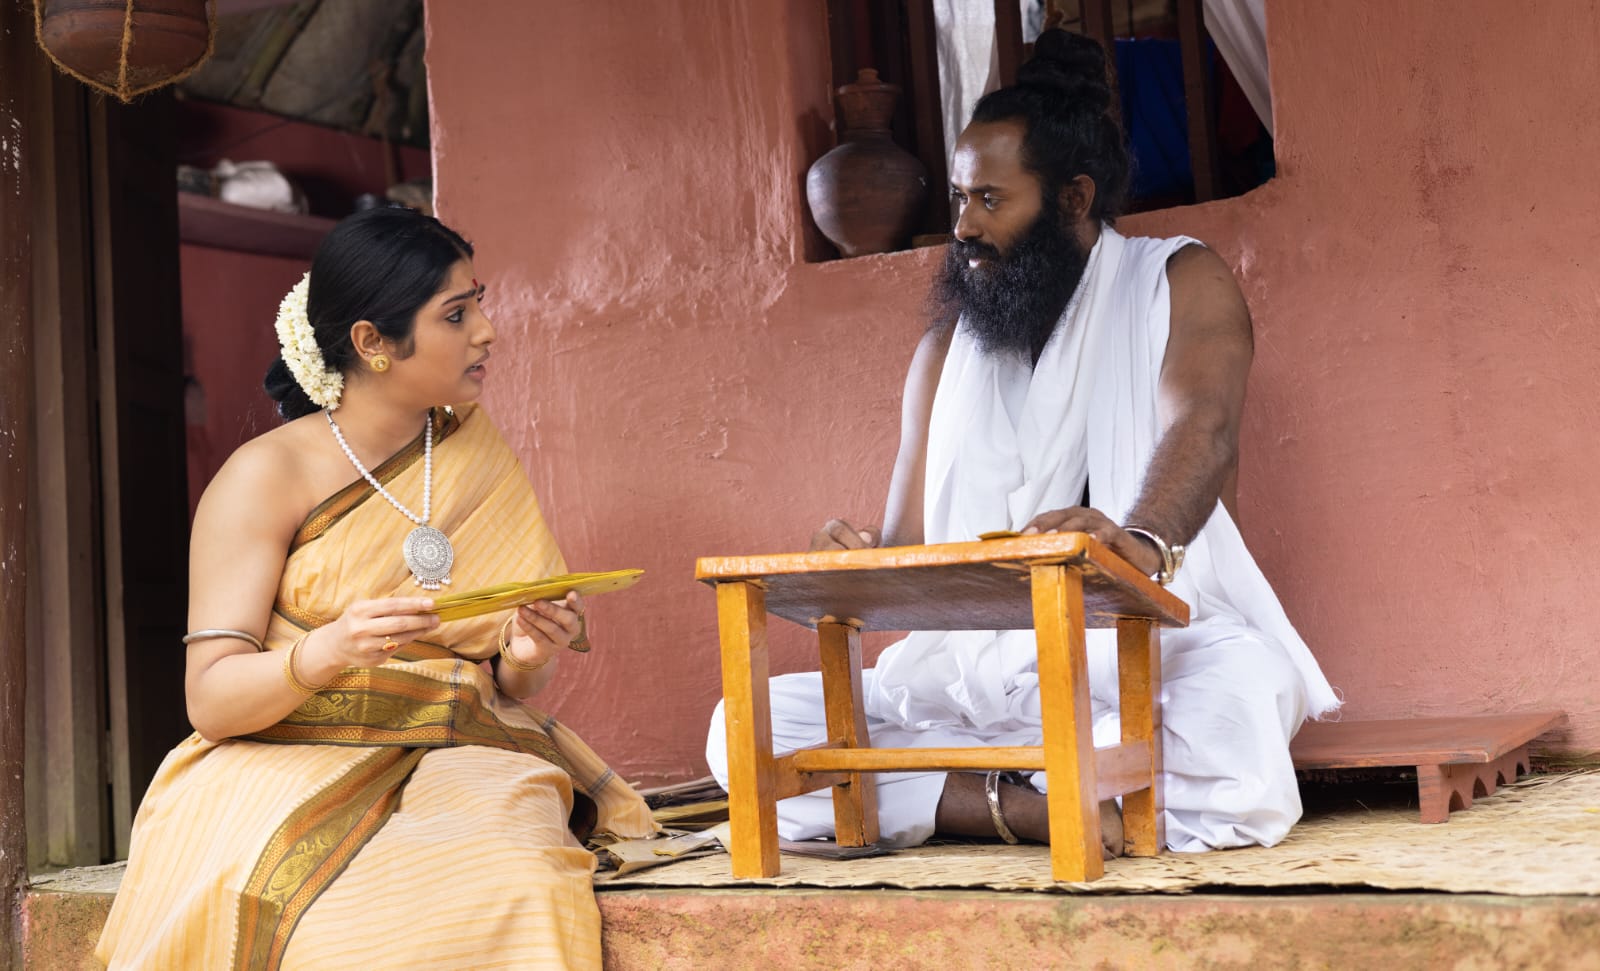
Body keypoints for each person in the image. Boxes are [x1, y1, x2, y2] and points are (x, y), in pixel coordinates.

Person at [707, 30, 1339, 856]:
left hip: (1120, 660)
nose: (962, 226)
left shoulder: (1180, 280)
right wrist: (853, 560)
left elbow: (1205, 428)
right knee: (745, 725)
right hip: (964, 682)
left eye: (989, 200)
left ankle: (956, 790)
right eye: (959, 199)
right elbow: (906, 543)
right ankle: (1032, 805)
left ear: (1073, 200)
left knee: (1238, 700)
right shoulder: (944, 349)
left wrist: (1136, 540)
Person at [97, 206, 655, 970]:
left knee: (517, 884)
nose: (487, 331)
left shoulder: (471, 450)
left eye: (479, 303)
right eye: (456, 314)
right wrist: (328, 650)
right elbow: (211, 699)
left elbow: (511, 681)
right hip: (283, 752)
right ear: (371, 342)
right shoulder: (265, 476)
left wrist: (526, 652)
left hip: (460, 744)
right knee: (328, 933)